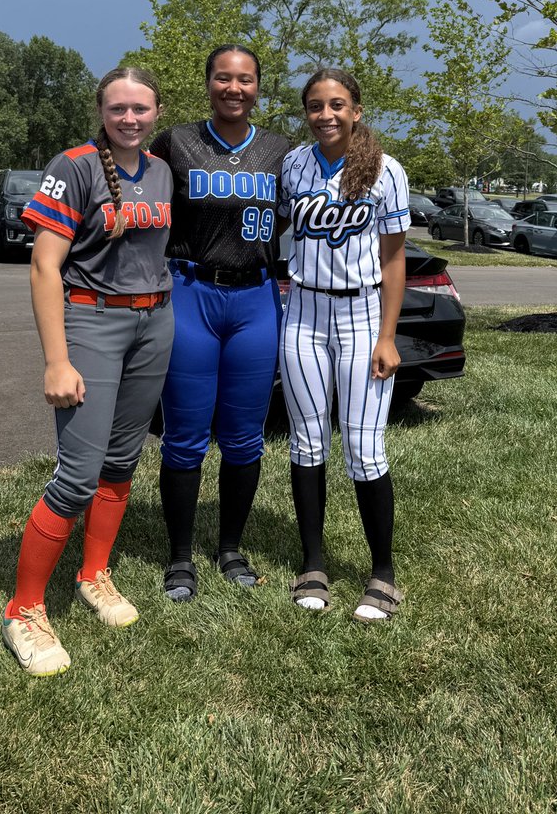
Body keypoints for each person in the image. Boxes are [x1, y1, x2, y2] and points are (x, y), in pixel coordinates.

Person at [1, 67, 174, 676]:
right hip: (91, 322)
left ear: (156, 112)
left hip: (154, 322)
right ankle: (22, 608)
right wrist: (56, 359)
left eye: (141, 109)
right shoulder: (73, 166)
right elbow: (45, 268)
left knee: (122, 460)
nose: (130, 118)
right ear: (102, 111)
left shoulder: (160, 170)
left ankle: (93, 574)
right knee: (76, 476)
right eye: (118, 108)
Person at [149, 45, 290, 602]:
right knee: (184, 437)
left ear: (259, 87)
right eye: (223, 78)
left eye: (246, 79)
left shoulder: (282, 150)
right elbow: (125, 174)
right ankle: (180, 555)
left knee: (244, 438)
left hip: (255, 298)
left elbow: (330, 186)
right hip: (191, 293)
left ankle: (230, 546)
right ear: (208, 82)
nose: (235, 88)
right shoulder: (176, 142)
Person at [278, 68, 410, 622]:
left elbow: (395, 259)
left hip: (361, 312)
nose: (325, 115)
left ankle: (383, 572)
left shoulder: (386, 171)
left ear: (356, 109)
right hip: (303, 310)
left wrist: (388, 336)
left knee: (364, 446)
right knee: (307, 443)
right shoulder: (294, 165)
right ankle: (314, 563)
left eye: (336, 104)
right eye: (314, 106)